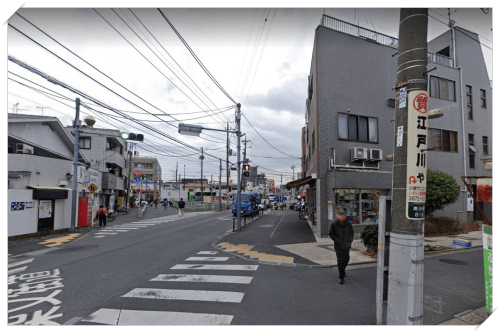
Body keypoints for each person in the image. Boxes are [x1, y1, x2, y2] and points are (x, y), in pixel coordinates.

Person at [329, 210, 354, 284]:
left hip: (346, 245)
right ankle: (341, 276)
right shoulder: (334, 224)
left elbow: (351, 233)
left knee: (346, 259)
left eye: (343, 215)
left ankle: (342, 270)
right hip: (338, 246)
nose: (342, 217)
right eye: (340, 215)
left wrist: (350, 240)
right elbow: (331, 234)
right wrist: (337, 240)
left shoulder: (348, 224)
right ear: (337, 216)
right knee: (340, 261)